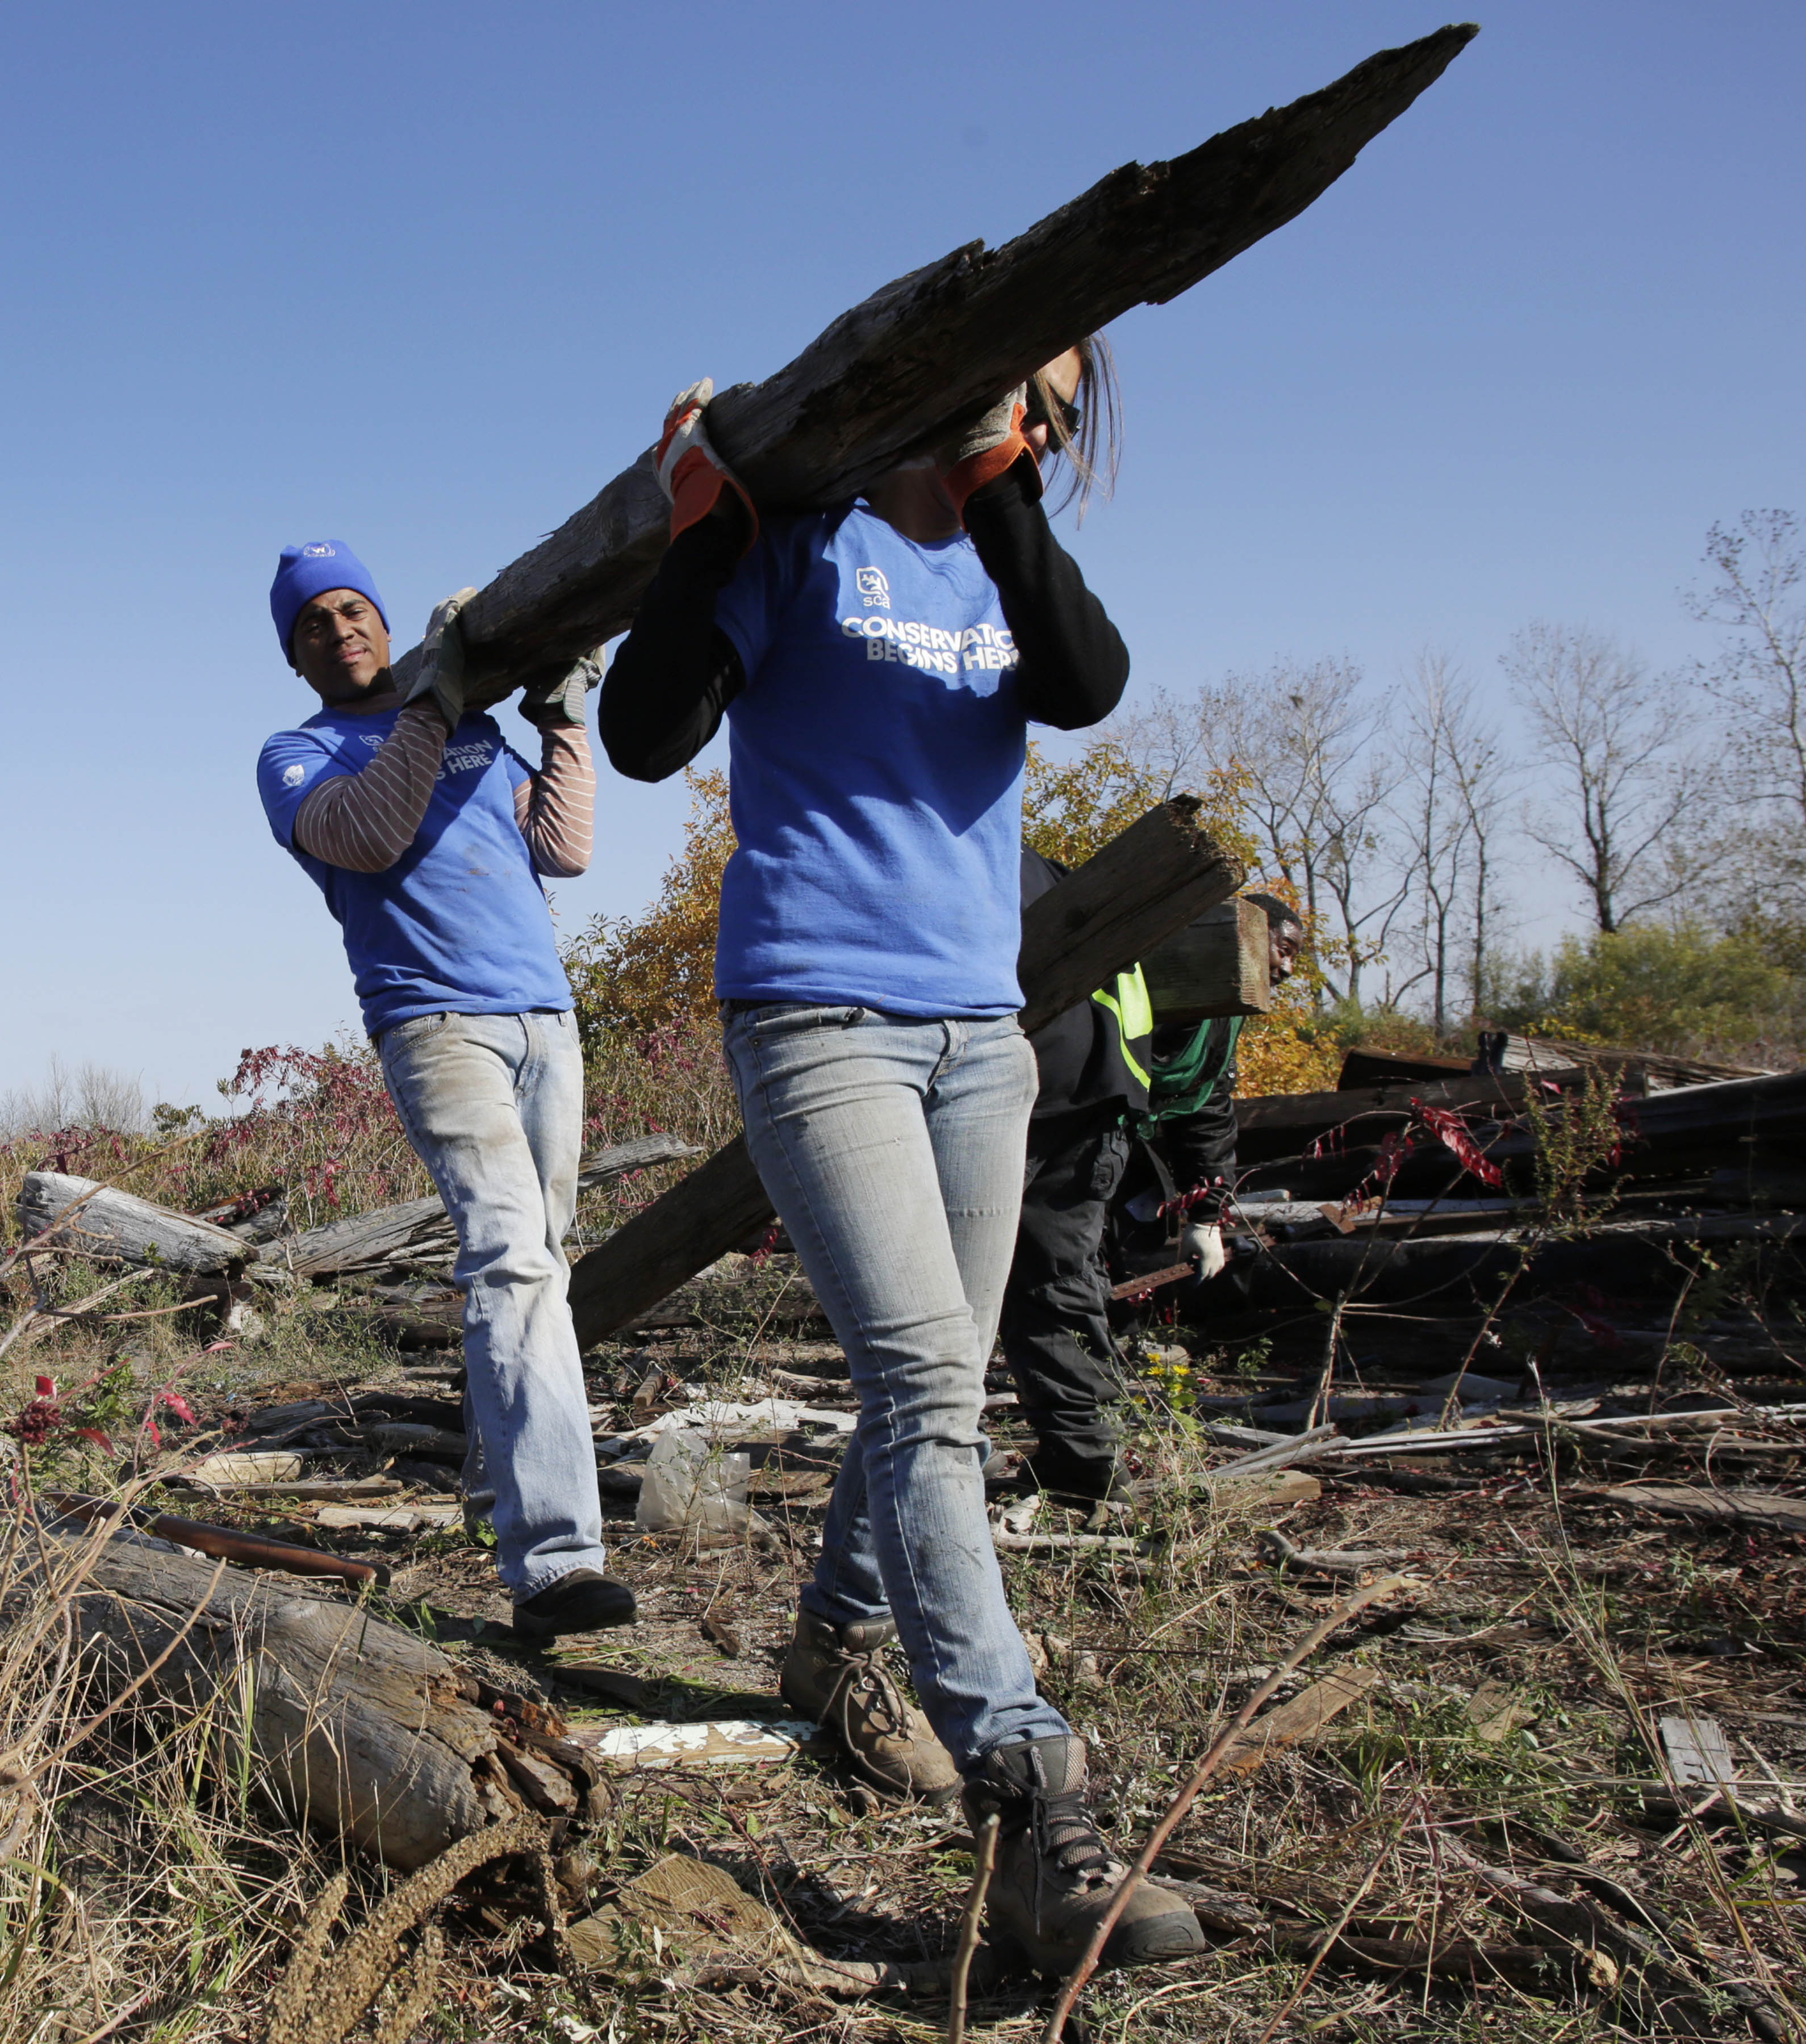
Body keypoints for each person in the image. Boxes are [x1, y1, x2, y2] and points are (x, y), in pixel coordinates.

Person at [599, 351, 1204, 1973]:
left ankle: (836, 1646)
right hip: (821, 1017)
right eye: (1016, 358)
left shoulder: (1007, 570)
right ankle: (1025, 1800)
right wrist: (706, 529)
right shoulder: (804, 547)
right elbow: (647, 732)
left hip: (983, 1036)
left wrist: (1001, 495)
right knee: (933, 1389)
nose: (1028, 397)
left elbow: (1087, 684)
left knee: (925, 1382)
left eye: (1055, 389)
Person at [253, 541, 632, 1640]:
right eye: (313, 623)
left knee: (541, 1266)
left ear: (381, 617)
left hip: (547, 1020)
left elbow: (563, 853)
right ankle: (556, 1562)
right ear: (295, 653)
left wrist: (562, 724)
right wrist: (433, 699)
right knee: (511, 1260)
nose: (340, 631)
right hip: (435, 1025)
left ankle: (494, 1492)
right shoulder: (299, 752)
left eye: (352, 609)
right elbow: (367, 839)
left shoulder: (475, 730)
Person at [1000, 851, 1156, 1512]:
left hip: (1038, 1098)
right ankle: (1083, 1454)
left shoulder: (972, 857)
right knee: (1059, 1285)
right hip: (1099, 1103)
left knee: (1022, 1286)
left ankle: (1085, 1462)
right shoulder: (1060, 873)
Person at [1134, 894, 1306, 1278]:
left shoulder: (1223, 1017)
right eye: (1285, 950)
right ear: (1248, 935)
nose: (1289, 969)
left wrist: (1207, 1217)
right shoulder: (1155, 972)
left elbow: (1208, 1108)